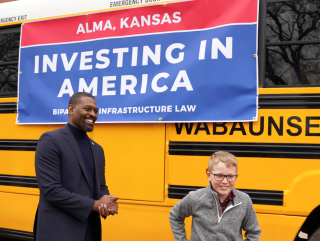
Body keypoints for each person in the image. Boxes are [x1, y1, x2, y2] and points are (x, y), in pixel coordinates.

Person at [34, 92, 118, 241]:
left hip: (90, 230)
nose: (93, 114)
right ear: (71, 109)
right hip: (59, 231)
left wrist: (106, 204)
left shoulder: (97, 149)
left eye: (96, 111)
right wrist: (95, 204)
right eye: (88, 109)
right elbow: (51, 190)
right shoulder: (51, 140)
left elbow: (101, 186)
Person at [169, 151, 261, 241]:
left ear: (236, 176)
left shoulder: (244, 201)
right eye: (219, 175)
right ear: (209, 175)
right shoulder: (195, 198)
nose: (225, 181)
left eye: (230, 176)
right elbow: (175, 216)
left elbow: (253, 232)